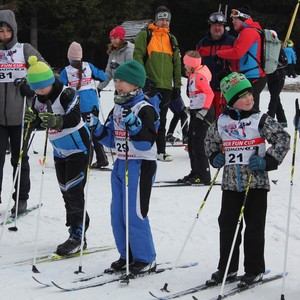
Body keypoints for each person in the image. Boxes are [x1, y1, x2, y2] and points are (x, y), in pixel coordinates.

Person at [204, 71, 290, 287]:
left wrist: (268, 161)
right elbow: (209, 141)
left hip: (256, 183)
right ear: (232, 101)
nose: (249, 99)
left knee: (254, 227)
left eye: (250, 94)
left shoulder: (260, 120)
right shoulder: (222, 122)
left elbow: (282, 138)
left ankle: (254, 269)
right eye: (243, 96)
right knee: (227, 225)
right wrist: (215, 157)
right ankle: (227, 268)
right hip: (231, 184)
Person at [86, 60, 158, 275]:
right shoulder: (118, 106)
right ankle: (127, 254)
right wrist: (97, 128)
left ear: (136, 84)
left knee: (135, 213)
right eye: (116, 80)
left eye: (122, 81)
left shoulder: (145, 108)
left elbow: (147, 142)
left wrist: (136, 127)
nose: (117, 84)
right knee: (117, 213)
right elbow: (110, 139)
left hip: (140, 164)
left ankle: (145, 257)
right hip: (120, 164)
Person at [25, 56, 91, 256]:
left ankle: (79, 234)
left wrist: (56, 121)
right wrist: (33, 119)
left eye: (41, 88)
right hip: (60, 150)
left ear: (50, 82)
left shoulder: (67, 93)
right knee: (65, 192)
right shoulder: (39, 98)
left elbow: (74, 117)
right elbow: (40, 120)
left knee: (74, 191)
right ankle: (73, 230)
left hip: (79, 148)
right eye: (34, 88)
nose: (38, 92)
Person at [0, 10, 46, 214]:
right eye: (0, 30)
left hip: (20, 115)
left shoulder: (24, 49)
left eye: (7, 30)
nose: (4, 34)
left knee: (19, 159)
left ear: (14, 30)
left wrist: (30, 84)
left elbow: (44, 72)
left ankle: (21, 199)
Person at [134, 5, 182, 162]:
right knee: (147, 118)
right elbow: (138, 56)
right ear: (156, 19)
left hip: (166, 85)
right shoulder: (146, 35)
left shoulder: (171, 38)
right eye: (161, 19)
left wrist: (177, 85)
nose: (164, 22)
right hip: (150, 84)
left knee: (162, 119)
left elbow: (177, 63)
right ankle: (143, 148)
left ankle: (161, 151)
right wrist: (143, 79)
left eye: (167, 19)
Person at [59, 41, 109, 169]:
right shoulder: (88, 66)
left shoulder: (66, 71)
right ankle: (102, 158)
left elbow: (60, 88)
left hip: (78, 106)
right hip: (93, 104)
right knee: (94, 130)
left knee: (84, 133)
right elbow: (103, 76)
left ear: (69, 57)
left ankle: (86, 160)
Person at [215, 7, 267, 111]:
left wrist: (219, 54)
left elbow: (238, 52)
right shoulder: (246, 31)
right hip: (251, 76)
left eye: (235, 19)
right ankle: (253, 126)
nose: (233, 21)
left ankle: (256, 126)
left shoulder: (248, 32)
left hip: (253, 77)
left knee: (246, 109)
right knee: (249, 110)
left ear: (243, 18)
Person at [178, 51, 214, 185]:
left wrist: (204, 110)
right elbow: (197, 96)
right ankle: (195, 171)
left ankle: (203, 175)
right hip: (196, 112)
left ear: (191, 65)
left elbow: (209, 94)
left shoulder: (199, 77)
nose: (184, 67)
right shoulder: (193, 75)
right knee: (192, 143)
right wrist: (191, 108)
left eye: (185, 64)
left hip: (203, 114)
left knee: (199, 145)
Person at [196, 11, 235, 119]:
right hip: (206, 89)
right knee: (206, 118)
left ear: (224, 27)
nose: (217, 28)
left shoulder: (231, 42)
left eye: (220, 26)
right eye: (214, 25)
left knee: (224, 118)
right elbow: (196, 66)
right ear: (210, 26)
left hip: (225, 89)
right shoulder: (202, 43)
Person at [97, 26, 134, 92]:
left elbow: (132, 72)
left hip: (129, 89)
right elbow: (108, 73)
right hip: (118, 88)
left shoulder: (129, 51)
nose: (113, 41)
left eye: (115, 38)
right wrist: (99, 88)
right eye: (111, 38)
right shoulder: (113, 53)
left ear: (121, 38)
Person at [267, 31, 288, 127]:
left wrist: (276, 64)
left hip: (279, 76)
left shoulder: (278, 47)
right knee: (275, 98)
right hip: (271, 76)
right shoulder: (267, 48)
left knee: (274, 97)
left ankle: (270, 116)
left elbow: (285, 61)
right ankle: (282, 119)